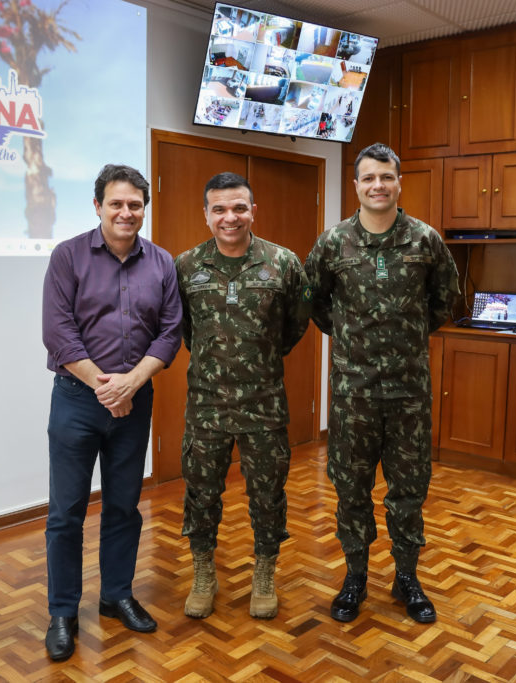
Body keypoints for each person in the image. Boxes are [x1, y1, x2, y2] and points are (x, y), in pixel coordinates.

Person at [304, 143, 459, 624]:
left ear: (398, 182)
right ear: (355, 185)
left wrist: (404, 340)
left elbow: (445, 300)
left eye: (386, 177)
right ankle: (355, 576)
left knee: (408, 492)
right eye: (369, 177)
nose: (378, 185)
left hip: (409, 394)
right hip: (353, 396)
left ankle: (407, 576)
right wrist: (355, 339)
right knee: (351, 489)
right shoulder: (333, 243)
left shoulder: (425, 240)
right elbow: (317, 304)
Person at [41, 164, 182, 661]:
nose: (127, 212)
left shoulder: (162, 263)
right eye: (117, 203)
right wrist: (105, 386)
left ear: (145, 208)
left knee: (124, 505)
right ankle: (62, 610)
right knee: (66, 512)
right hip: (78, 400)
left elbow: (170, 331)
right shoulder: (68, 257)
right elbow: (58, 332)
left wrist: (132, 382)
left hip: (135, 399)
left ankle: (116, 595)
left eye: (136, 204)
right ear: (98, 206)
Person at [175, 172, 310, 620]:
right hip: (206, 405)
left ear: (254, 210)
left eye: (238, 208)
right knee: (201, 493)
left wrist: (259, 359)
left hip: (264, 404)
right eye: (219, 209)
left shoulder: (283, 263)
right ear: (206, 214)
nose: (229, 217)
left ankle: (264, 573)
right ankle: (203, 573)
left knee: (268, 495)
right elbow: (186, 332)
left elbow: (294, 324)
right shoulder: (187, 266)